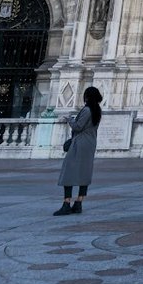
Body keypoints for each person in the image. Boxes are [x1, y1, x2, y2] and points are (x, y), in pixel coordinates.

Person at [53, 86, 103, 215]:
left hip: (80, 143)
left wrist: (70, 119)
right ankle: (79, 202)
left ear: (87, 97)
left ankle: (66, 203)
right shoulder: (97, 110)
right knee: (84, 173)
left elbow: (78, 126)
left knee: (68, 172)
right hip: (90, 143)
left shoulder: (87, 110)